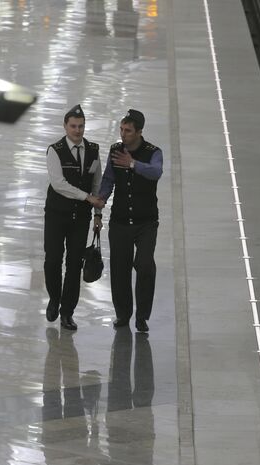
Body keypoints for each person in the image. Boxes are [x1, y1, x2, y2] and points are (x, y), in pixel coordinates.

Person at [99, 109, 163, 332]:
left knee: (144, 265)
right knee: (119, 268)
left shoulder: (153, 152)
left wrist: (134, 164)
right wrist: (101, 200)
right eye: (121, 130)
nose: (123, 134)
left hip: (146, 222)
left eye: (128, 131)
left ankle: (142, 316)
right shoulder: (116, 151)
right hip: (120, 221)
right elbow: (108, 178)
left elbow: (156, 172)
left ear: (139, 132)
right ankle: (123, 315)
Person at [44, 104, 105, 331]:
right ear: (65, 126)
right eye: (73, 126)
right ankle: (54, 299)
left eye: (81, 126)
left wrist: (97, 213)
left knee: (74, 264)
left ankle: (67, 312)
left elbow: (97, 182)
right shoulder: (55, 150)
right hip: (56, 215)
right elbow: (58, 184)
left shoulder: (93, 150)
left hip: (81, 218)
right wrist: (87, 197)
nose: (77, 131)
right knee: (52, 260)